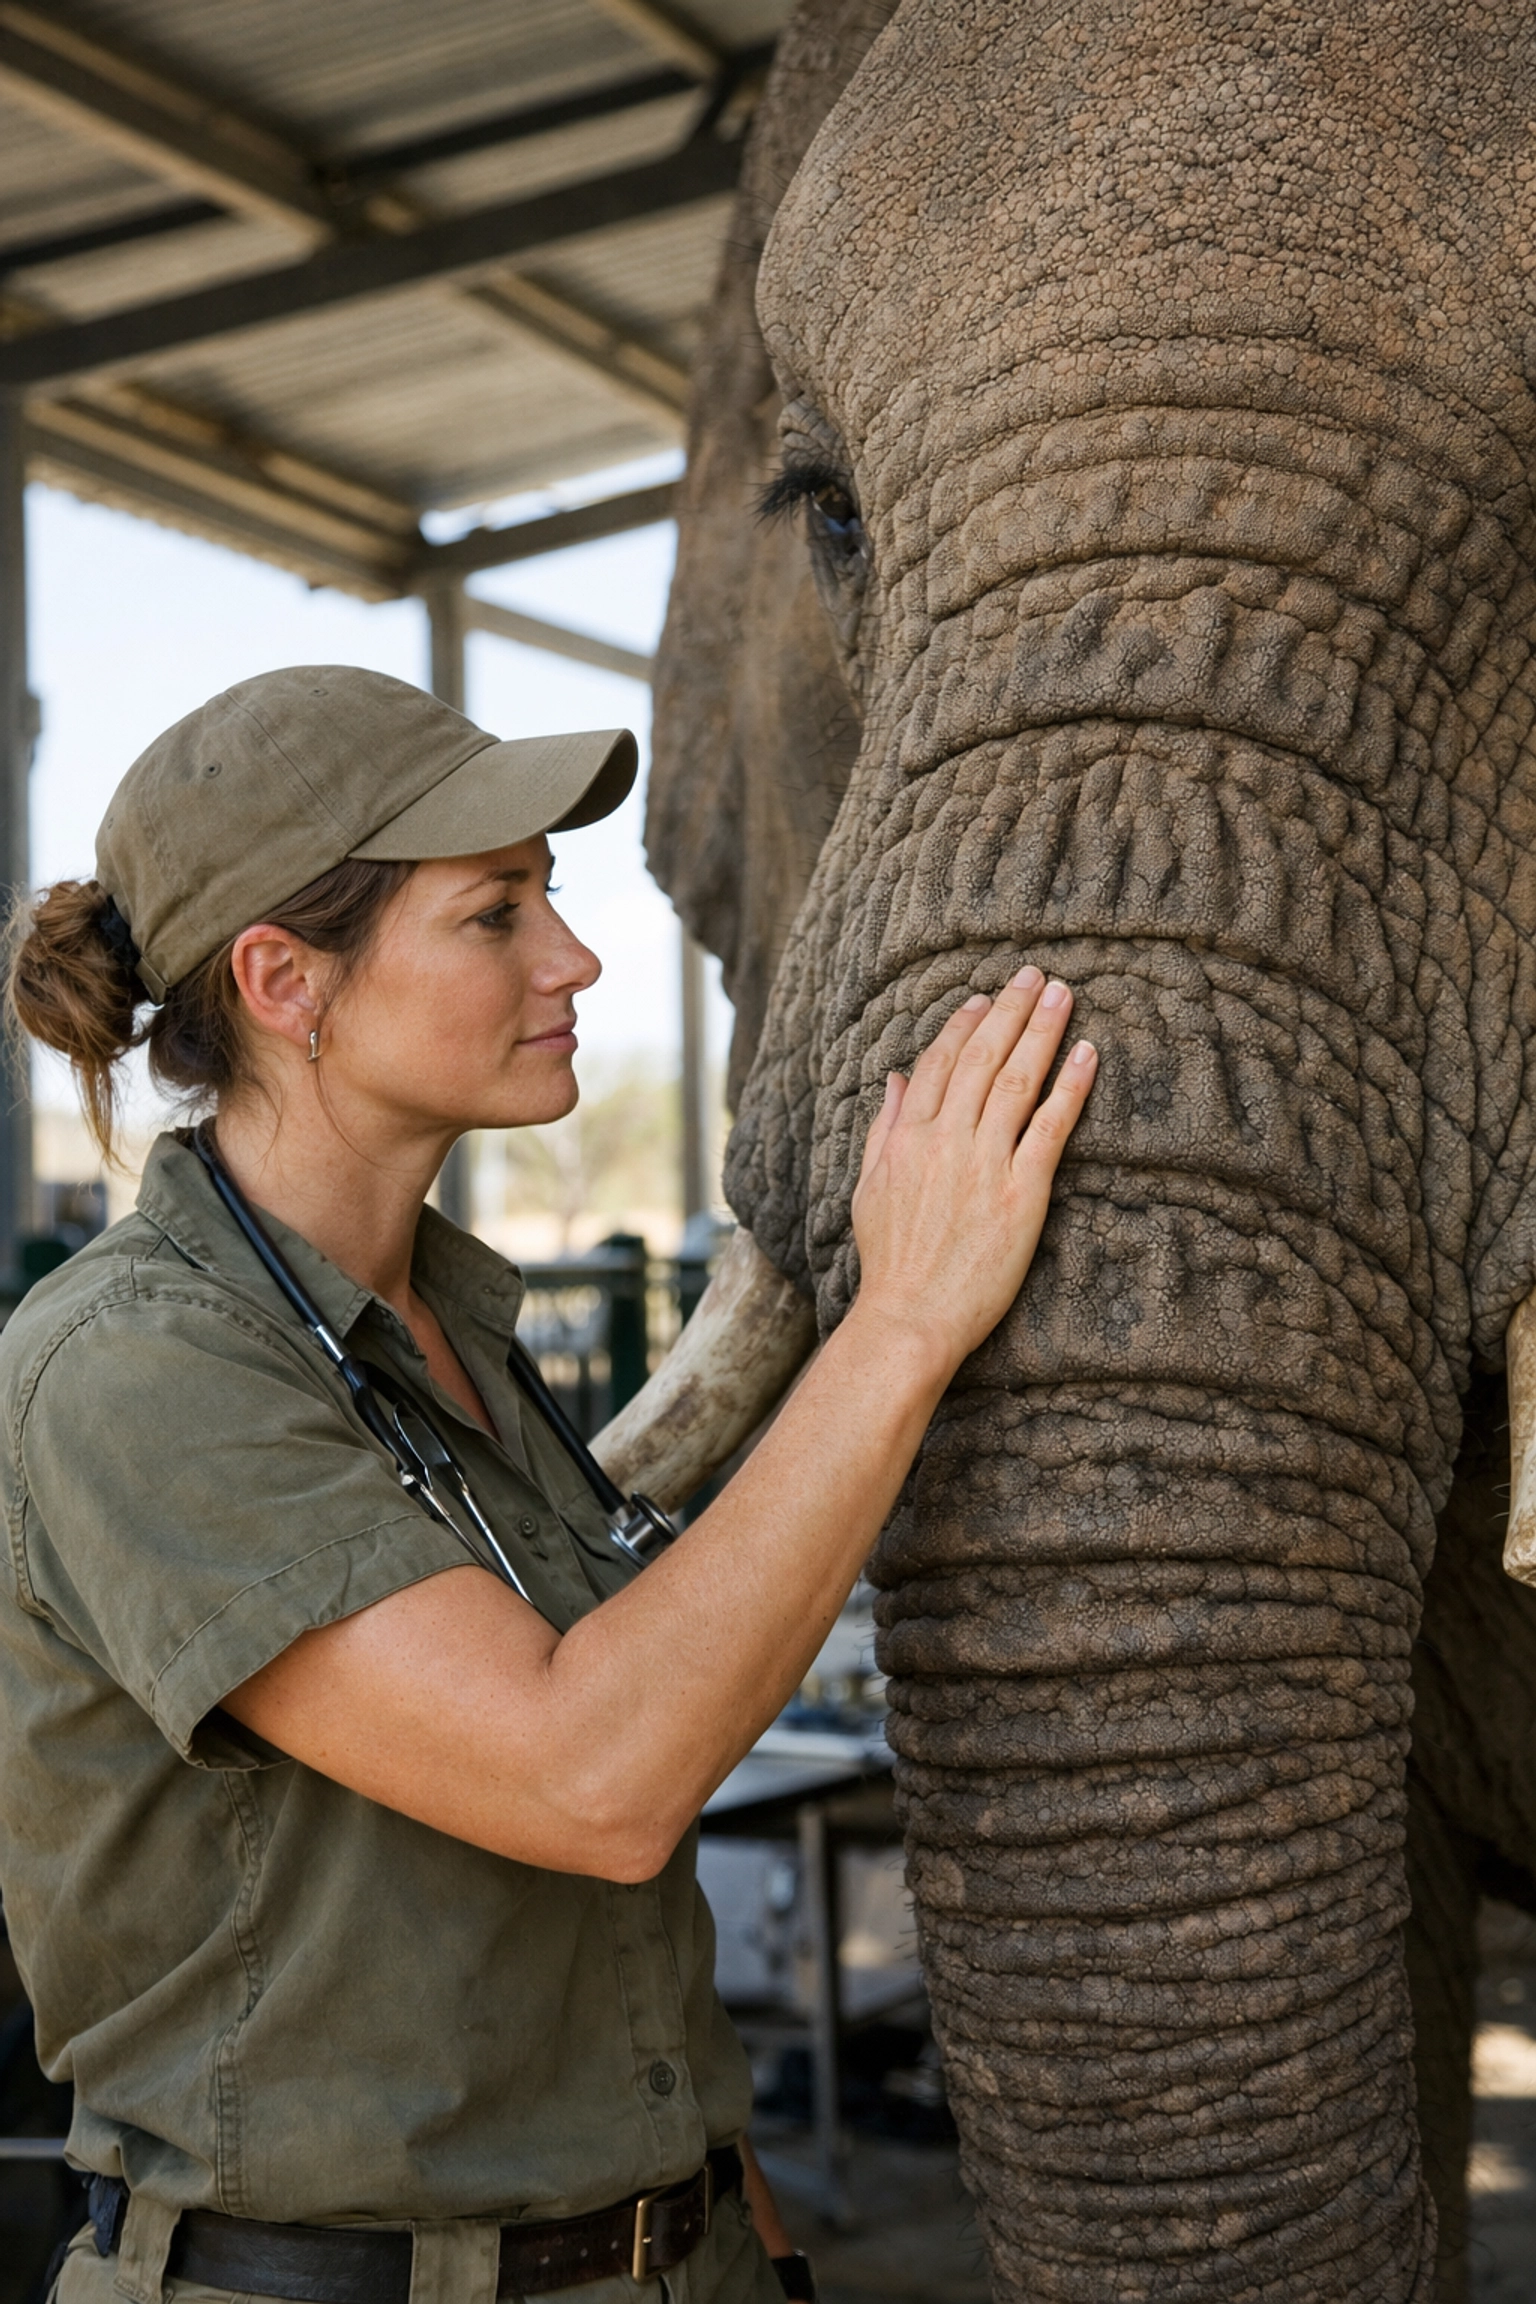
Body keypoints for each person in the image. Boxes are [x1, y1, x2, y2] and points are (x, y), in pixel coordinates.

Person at [0, 666, 1097, 2304]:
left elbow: (600, 1940)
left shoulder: (459, 1337)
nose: (573, 959)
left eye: (551, 900)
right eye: (495, 914)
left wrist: (742, 2240)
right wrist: (909, 1316)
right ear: (287, 979)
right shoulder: (136, 1370)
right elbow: (593, 1777)